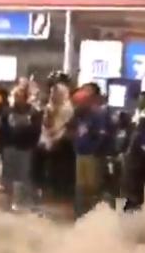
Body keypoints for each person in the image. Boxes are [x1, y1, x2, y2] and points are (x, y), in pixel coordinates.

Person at [0, 81, 43, 211]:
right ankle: (8, 203)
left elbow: (37, 130)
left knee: (25, 176)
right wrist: (4, 144)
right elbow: (1, 128)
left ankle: (27, 203)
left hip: (25, 148)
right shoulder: (7, 111)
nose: (18, 98)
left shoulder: (33, 112)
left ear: (26, 97)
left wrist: (29, 140)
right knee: (8, 177)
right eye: (16, 95)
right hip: (10, 147)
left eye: (21, 95)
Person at [71, 82, 110, 218]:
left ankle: (93, 216)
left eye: (87, 91)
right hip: (81, 154)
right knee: (81, 187)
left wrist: (94, 150)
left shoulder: (99, 113)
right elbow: (74, 129)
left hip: (93, 156)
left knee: (92, 187)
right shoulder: (81, 113)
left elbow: (102, 136)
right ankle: (80, 214)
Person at [37, 82, 75, 200]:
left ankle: (59, 193)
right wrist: (48, 114)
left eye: (56, 93)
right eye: (52, 93)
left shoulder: (67, 108)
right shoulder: (50, 106)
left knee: (59, 170)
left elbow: (64, 126)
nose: (53, 95)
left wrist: (55, 138)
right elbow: (46, 125)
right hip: (48, 141)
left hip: (62, 143)